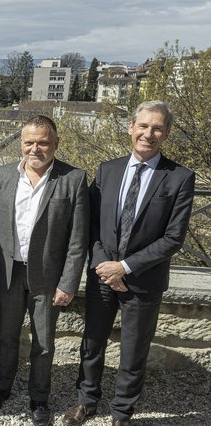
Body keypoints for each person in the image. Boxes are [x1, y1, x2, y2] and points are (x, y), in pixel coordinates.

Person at [62, 101, 195, 426]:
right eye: (143, 126)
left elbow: (173, 238)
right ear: (131, 127)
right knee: (91, 342)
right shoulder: (107, 170)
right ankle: (87, 400)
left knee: (134, 352)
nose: (148, 133)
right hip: (102, 275)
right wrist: (105, 266)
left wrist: (126, 267)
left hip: (143, 281)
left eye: (157, 128)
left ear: (166, 134)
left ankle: (122, 413)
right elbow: (91, 224)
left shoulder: (179, 178)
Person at [0, 115, 89, 426]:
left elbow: (78, 239)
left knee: (44, 342)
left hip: (48, 276)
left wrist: (68, 282)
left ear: (56, 143)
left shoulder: (73, 179)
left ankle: (39, 397)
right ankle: (1, 387)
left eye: (43, 142)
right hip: (8, 272)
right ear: (21, 143)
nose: (35, 148)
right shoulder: (2, 175)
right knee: (6, 336)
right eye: (29, 142)